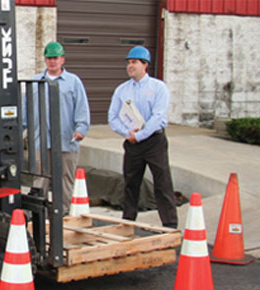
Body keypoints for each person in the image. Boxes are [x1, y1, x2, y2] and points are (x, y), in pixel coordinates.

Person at [107, 46, 177, 228]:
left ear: (145, 65)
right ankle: (128, 222)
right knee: (131, 183)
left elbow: (158, 116)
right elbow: (112, 117)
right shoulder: (121, 90)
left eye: (134, 62)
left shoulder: (158, 88)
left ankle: (169, 225)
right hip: (132, 142)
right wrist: (128, 134)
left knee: (162, 183)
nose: (130, 66)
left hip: (154, 141)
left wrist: (141, 135)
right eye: (129, 63)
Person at [27, 41, 90, 214]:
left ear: (62, 59)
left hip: (66, 140)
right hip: (42, 140)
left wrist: (81, 129)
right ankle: (39, 214)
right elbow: (27, 109)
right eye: (49, 58)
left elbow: (82, 108)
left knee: (65, 179)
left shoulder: (73, 82)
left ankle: (62, 214)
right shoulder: (35, 82)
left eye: (55, 58)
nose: (52, 62)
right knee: (40, 178)